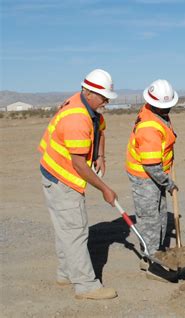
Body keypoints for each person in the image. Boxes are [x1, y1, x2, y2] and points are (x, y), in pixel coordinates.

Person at [38, 69, 118, 300]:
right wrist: (105, 188)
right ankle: (86, 286)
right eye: (104, 97)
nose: (107, 102)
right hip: (61, 176)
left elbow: (100, 130)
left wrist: (101, 156)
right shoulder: (77, 117)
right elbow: (79, 165)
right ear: (89, 92)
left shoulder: (90, 108)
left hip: (56, 170)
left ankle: (65, 273)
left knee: (66, 228)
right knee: (75, 230)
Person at [125, 79, 179, 280]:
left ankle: (154, 252)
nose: (168, 109)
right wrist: (168, 183)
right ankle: (152, 265)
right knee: (150, 219)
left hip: (155, 173)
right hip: (145, 176)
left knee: (160, 213)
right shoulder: (149, 126)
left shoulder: (155, 112)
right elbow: (151, 165)